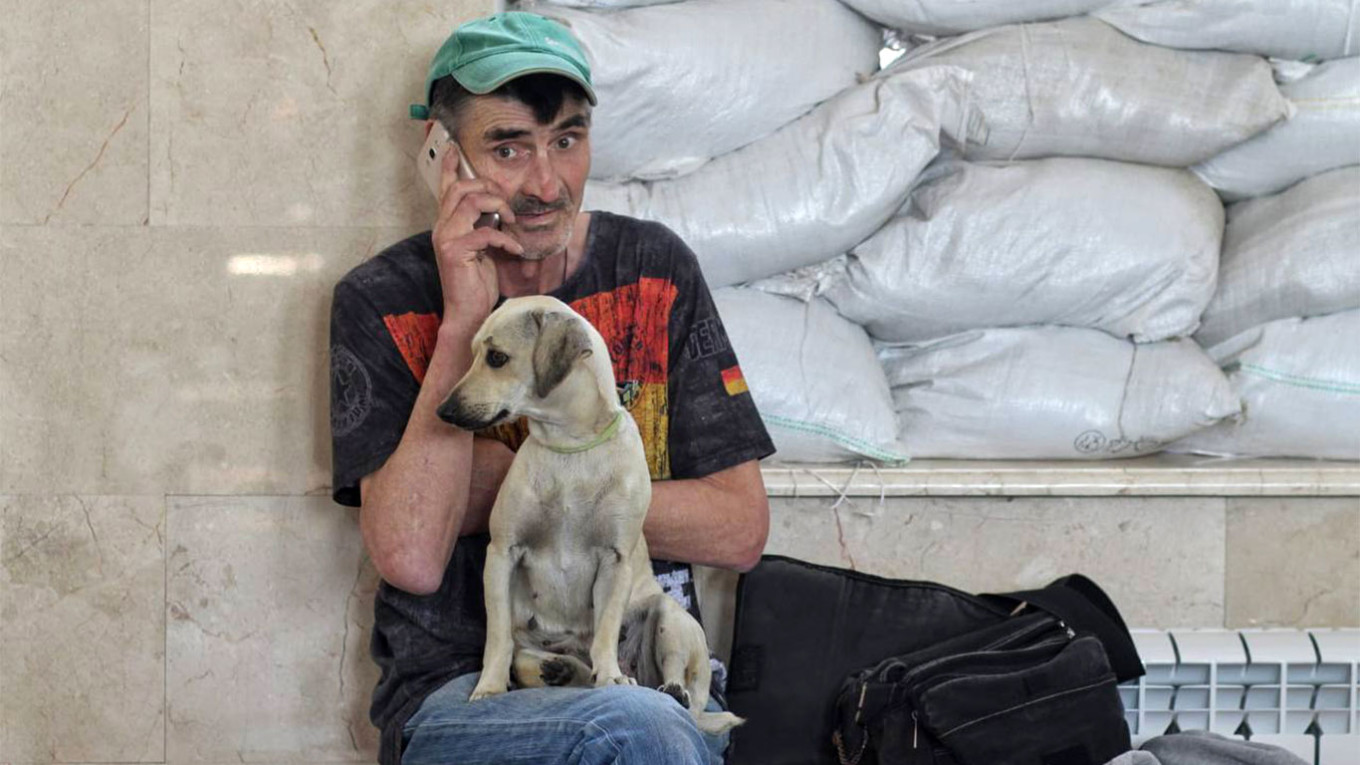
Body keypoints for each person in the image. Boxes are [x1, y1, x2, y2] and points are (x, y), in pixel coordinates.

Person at [327, 12, 775, 765]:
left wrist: (531, 479)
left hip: (641, 679)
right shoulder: (382, 300)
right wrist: (464, 318)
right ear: (442, 155)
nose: (546, 183)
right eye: (508, 147)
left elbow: (739, 528)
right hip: (459, 690)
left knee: (643, 721)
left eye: (567, 140)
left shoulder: (653, 271)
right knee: (635, 731)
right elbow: (411, 552)